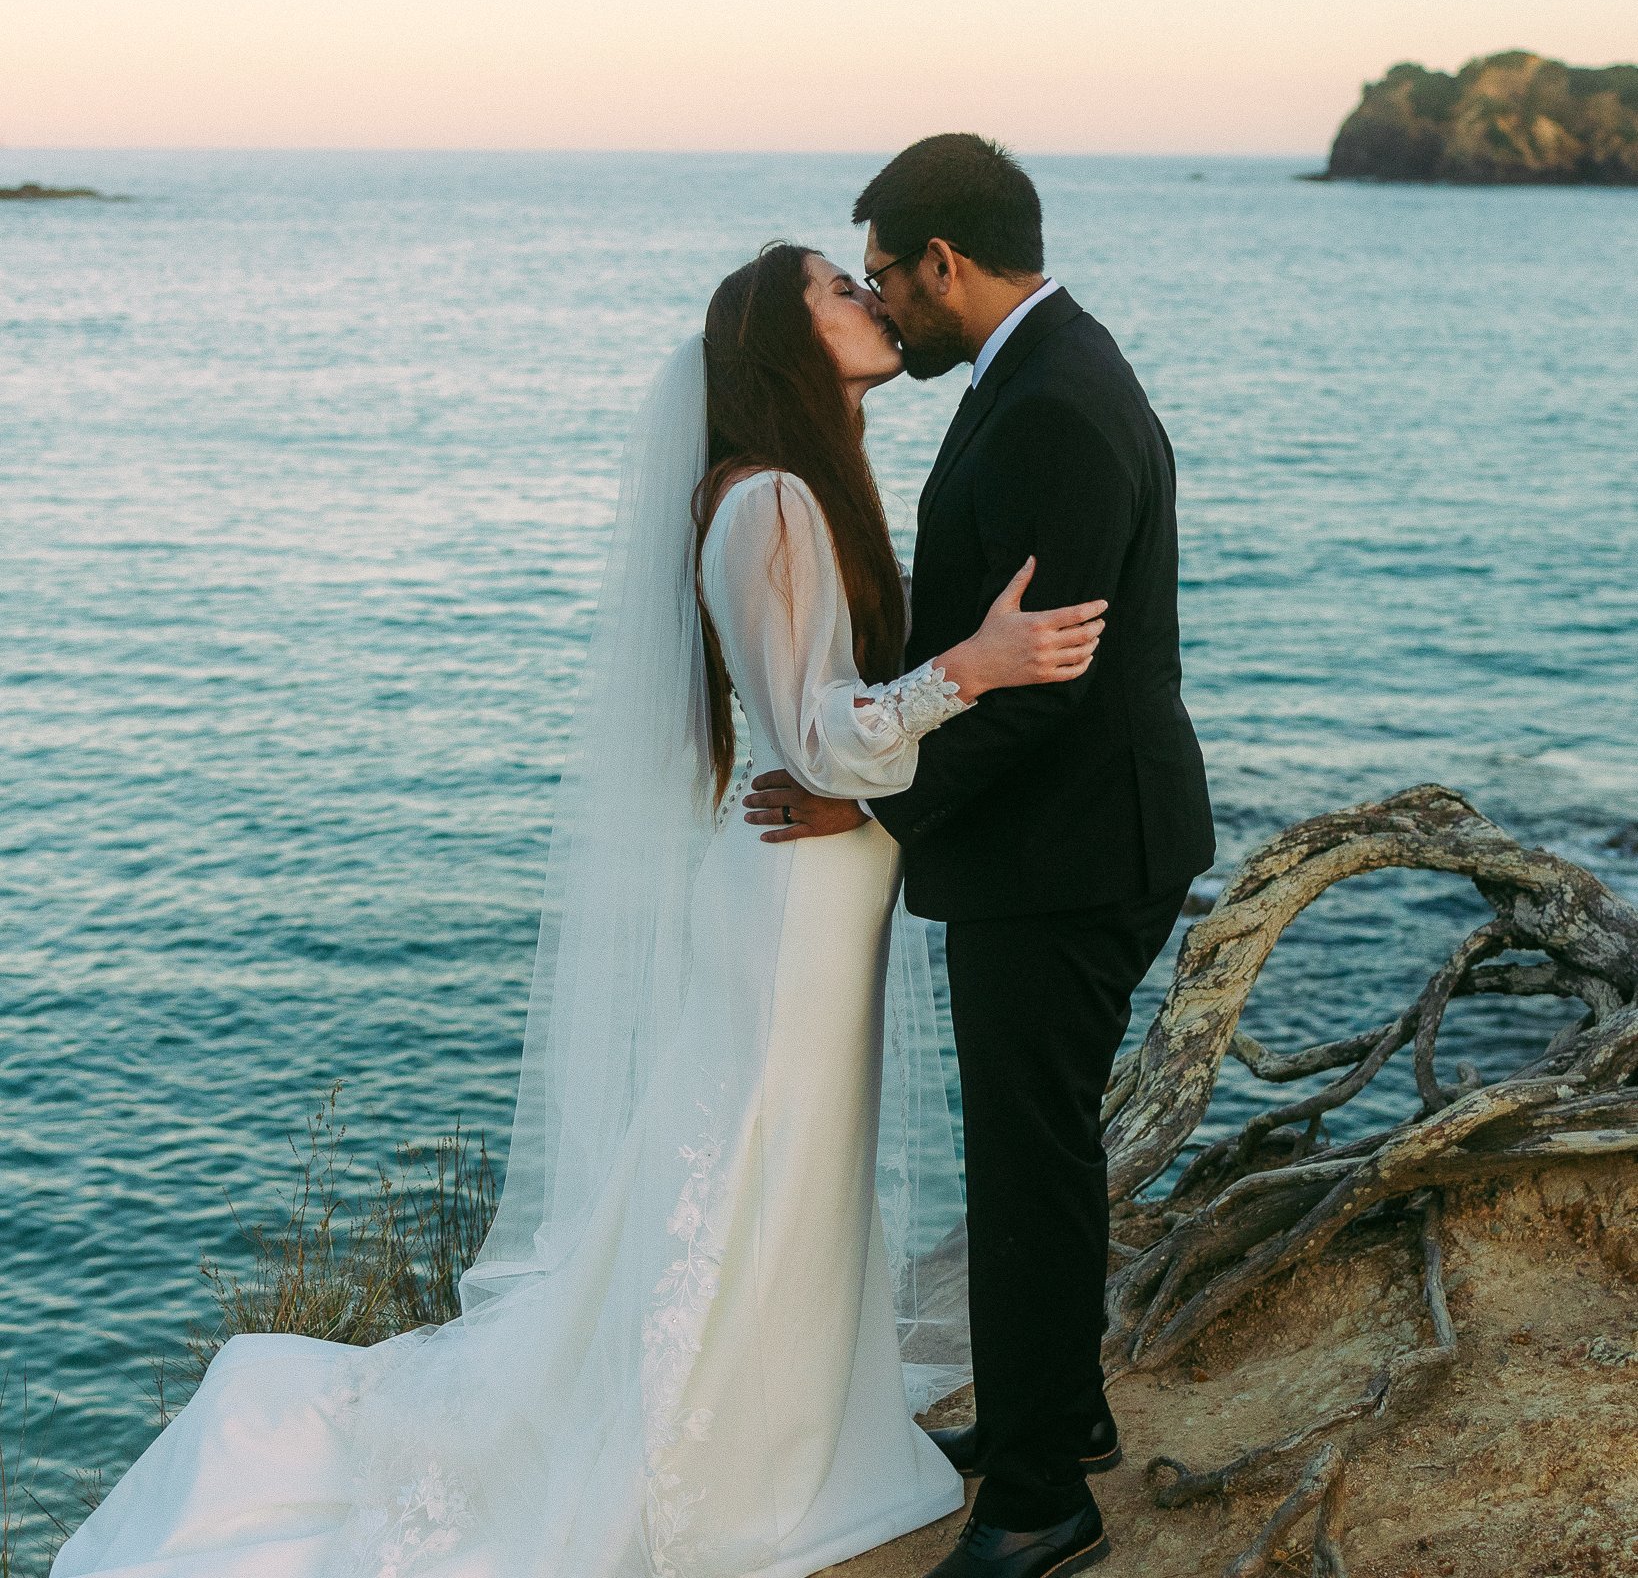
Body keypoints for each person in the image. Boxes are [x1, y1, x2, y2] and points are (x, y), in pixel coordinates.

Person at [52, 240, 1105, 1578]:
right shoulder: (768, 502)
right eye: (836, 289)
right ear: (783, 347)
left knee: (789, 1170)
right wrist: (976, 665)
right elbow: (818, 738)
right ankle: (715, 1459)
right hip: (789, 897)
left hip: (815, 886)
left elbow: (822, 738)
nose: (868, 298)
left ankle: (778, 1426)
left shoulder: (793, 491)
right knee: (757, 1168)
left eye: (864, 277)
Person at [745, 138, 1215, 1578]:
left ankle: (1035, 1500)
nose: (884, 306)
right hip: (1066, 839)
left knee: (1023, 1165)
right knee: (1042, 1148)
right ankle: (1053, 1416)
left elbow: (1046, 687)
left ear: (944, 262)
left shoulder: (1054, 406)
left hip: (1070, 851)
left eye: (886, 275)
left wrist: (872, 807)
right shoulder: (1046, 369)